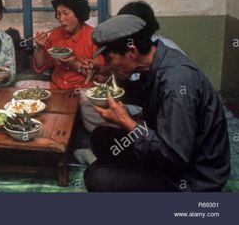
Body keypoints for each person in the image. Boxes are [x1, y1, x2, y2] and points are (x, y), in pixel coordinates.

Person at [83, 15, 230, 192]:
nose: (108, 64)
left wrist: (127, 122)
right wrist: (109, 75)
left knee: (95, 178)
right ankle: (123, 173)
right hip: (167, 147)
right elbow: (144, 92)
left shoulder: (176, 84)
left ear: (132, 51)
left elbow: (175, 156)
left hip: (192, 176)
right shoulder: (158, 58)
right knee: (100, 137)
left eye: (109, 59)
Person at [30, 0, 102, 90]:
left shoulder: (94, 37)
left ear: (78, 14)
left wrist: (75, 64)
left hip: (84, 88)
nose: (61, 18)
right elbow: (40, 66)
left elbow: (100, 77)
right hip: (56, 86)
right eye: (58, 14)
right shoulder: (55, 34)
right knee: (20, 86)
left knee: (86, 104)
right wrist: (40, 47)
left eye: (65, 13)